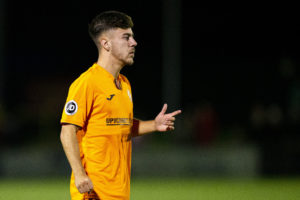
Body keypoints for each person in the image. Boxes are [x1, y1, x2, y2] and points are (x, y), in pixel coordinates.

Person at [60, 10, 181, 200]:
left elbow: (121, 125)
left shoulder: (124, 83)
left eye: (132, 37)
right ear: (105, 43)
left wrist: (154, 125)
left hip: (119, 192)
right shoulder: (86, 83)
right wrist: (79, 174)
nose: (134, 43)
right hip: (93, 193)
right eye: (126, 37)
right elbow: (67, 131)